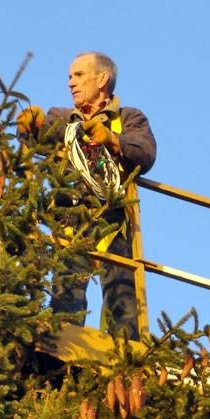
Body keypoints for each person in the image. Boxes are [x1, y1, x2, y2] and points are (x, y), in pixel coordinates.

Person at [16, 51, 156, 340]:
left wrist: (113, 140)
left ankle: (126, 361)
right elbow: (37, 140)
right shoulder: (63, 118)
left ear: (102, 78)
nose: (70, 83)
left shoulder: (128, 118)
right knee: (66, 297)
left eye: (78, 75)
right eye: (69, 77)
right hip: (70, 221)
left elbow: (145, 152)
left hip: (111, 221)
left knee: (122, 299)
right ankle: (60, 354)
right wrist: (31, 127)